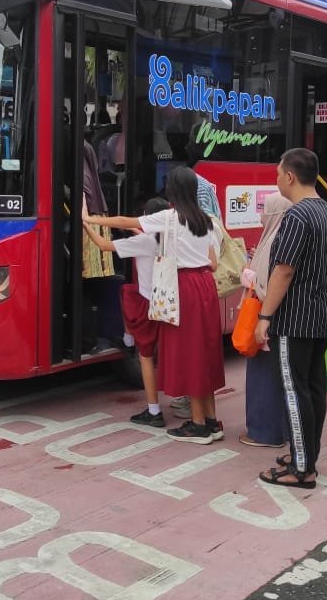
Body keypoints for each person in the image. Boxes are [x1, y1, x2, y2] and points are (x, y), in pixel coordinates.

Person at [87, 166, 224, 445]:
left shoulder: (170, 218)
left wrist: (89, 218)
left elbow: (127, 221)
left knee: (190, 355)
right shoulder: (206, 220)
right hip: (205, 286)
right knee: (206, 351)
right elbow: (214, 263)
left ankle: (198, 426)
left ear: (173, 190)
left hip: (184, 285)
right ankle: (211, 421)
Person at [254, 148, 327, 489]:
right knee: (313, 388)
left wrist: (265, 316)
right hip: (321, 314)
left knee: (293, 390)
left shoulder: (297, 217)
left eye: (278, 173)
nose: (276, 179)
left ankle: (302, 468)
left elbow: (284, 271)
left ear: (290, 176)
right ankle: (307, 454)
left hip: (294, 318)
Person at [83, 197, 173, 427]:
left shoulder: (143, 242)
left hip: (147, 305)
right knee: (170, 352)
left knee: (146, 357)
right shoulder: (173, 238)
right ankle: (182, 401)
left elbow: (104, 245)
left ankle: (154, 411)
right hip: (170, 303)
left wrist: (86, 224)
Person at [238, 193, 292, 448]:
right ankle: (279, 430)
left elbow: (266, 284)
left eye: (264, 209)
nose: (260, 214)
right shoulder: (281, 236)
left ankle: (264, 432)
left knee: (264, 378)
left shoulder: (273, 241)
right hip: (280, 320)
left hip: (266, 320)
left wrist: (249, 275)